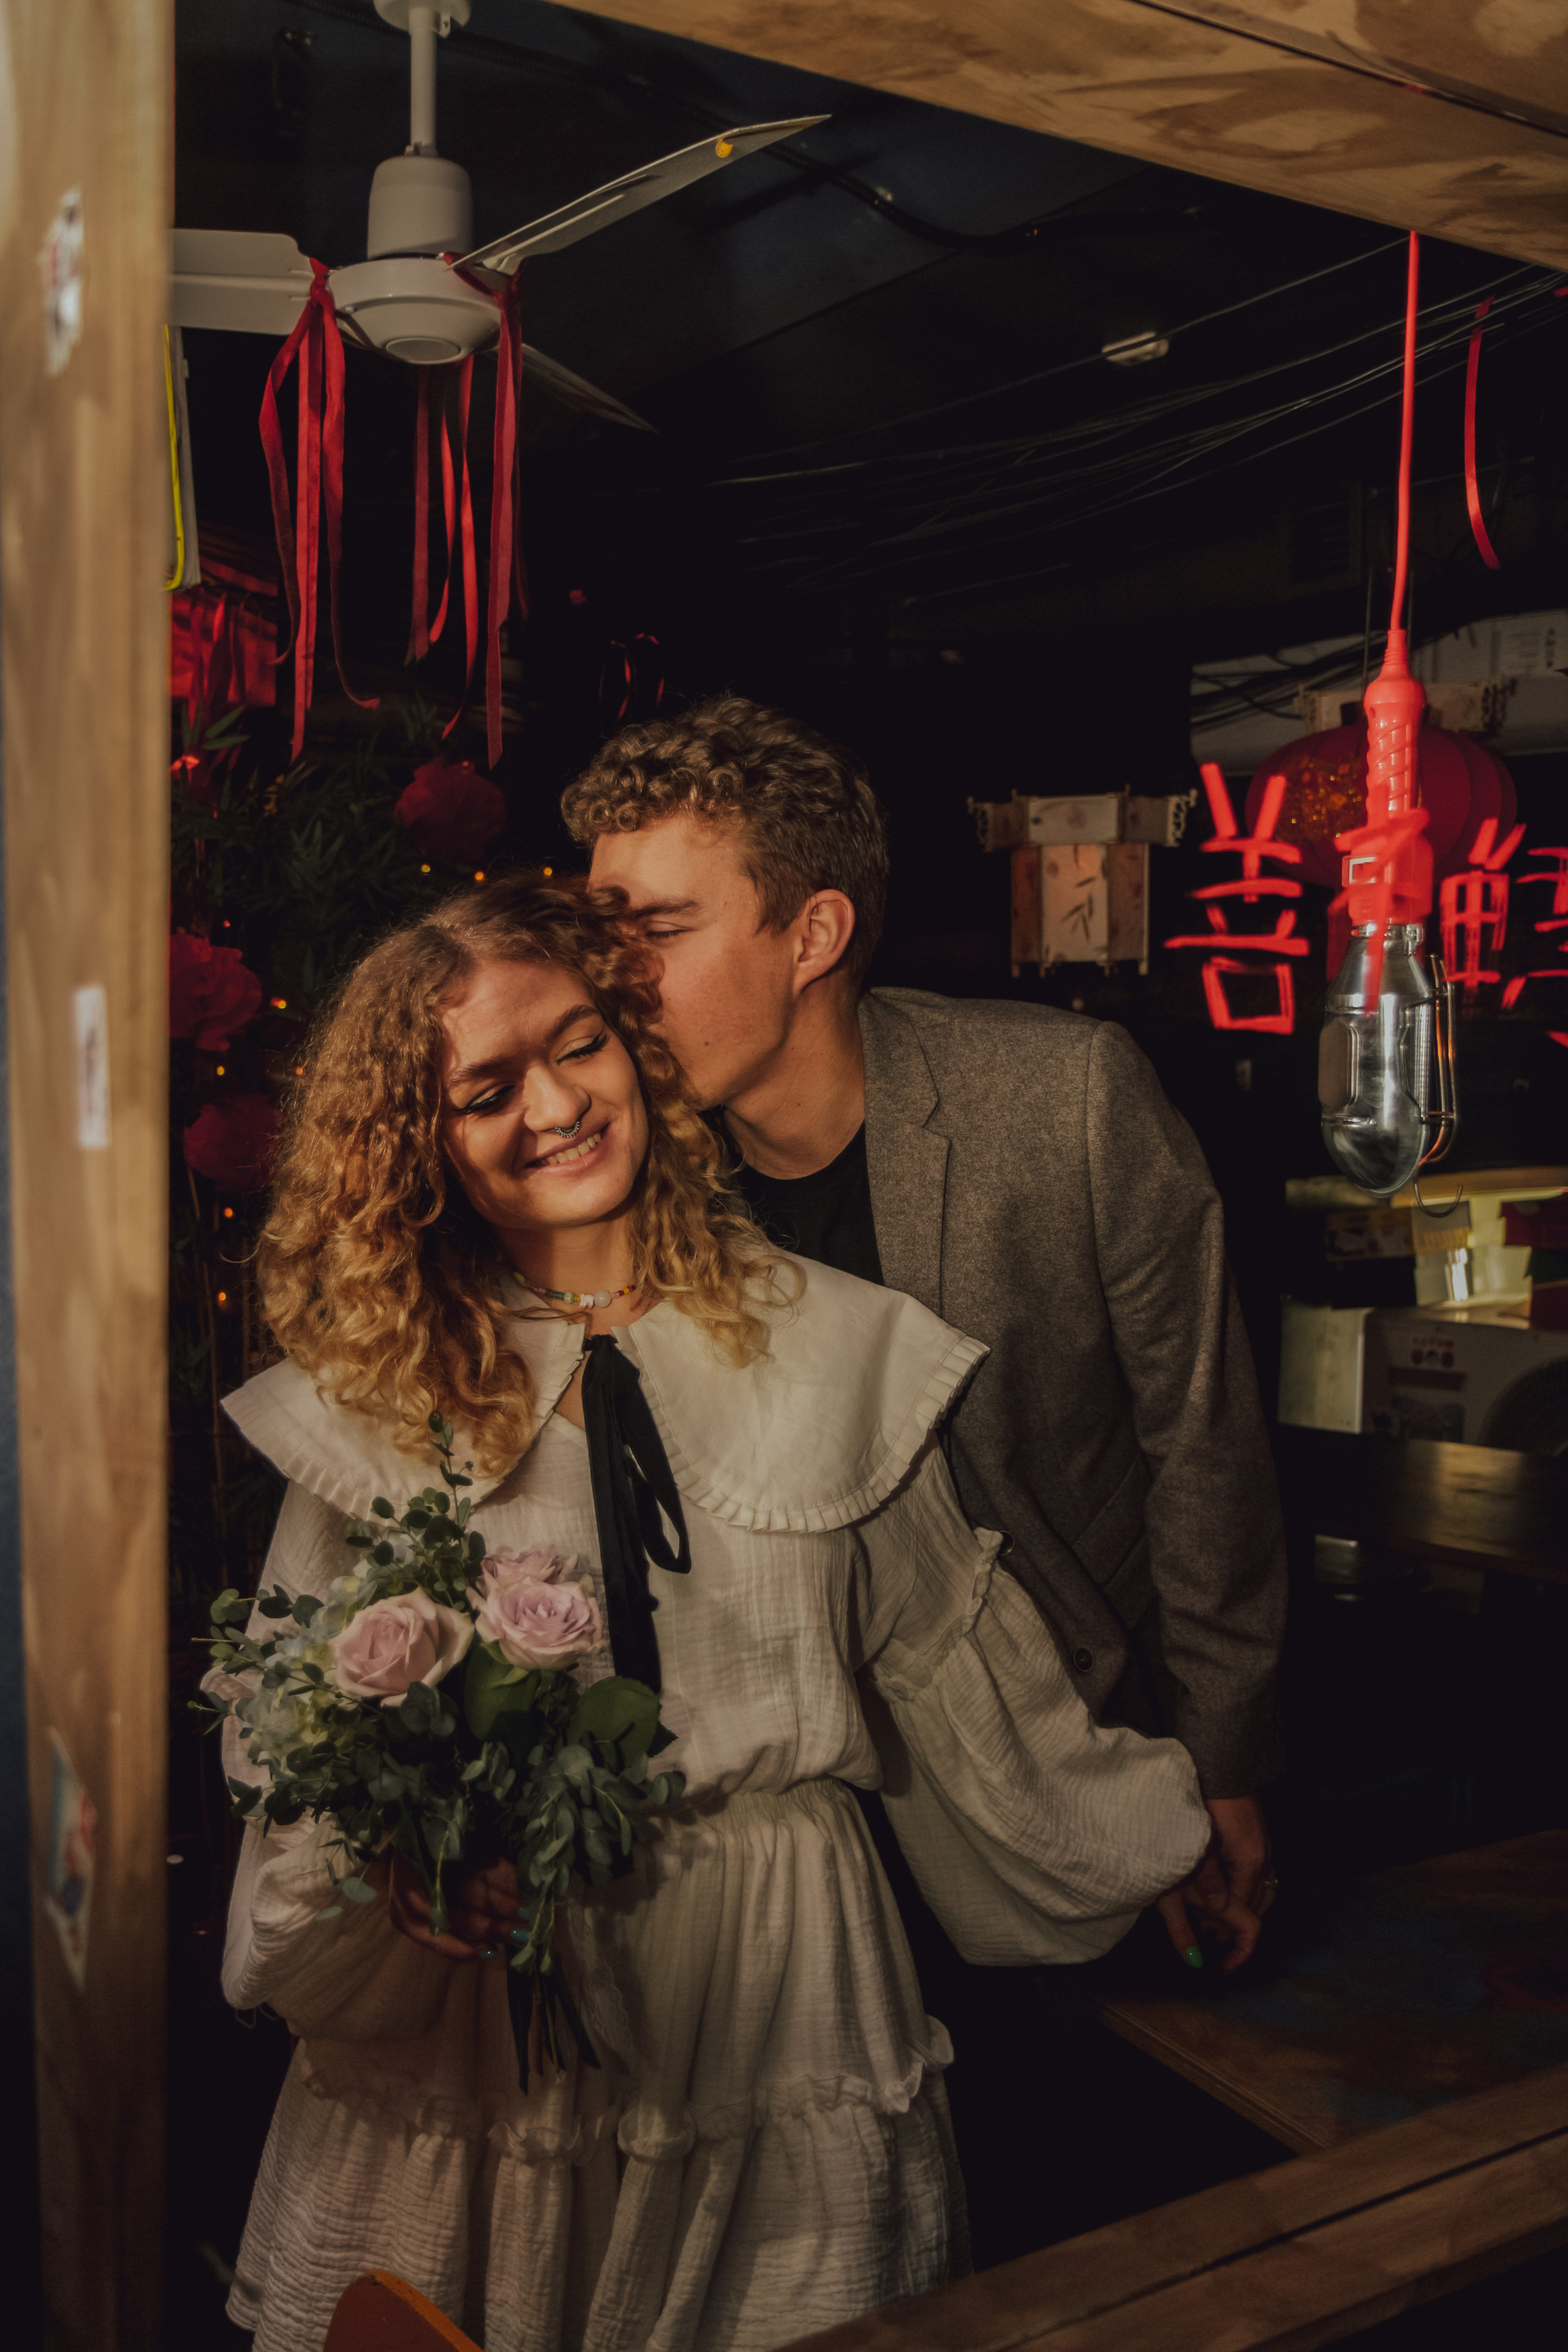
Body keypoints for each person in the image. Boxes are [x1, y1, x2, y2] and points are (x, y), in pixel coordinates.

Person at [211, 877, 1212, 2352]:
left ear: (633, 1045)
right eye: (485, 1088)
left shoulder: (832, 1342)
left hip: (776, 1990)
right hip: (497, 2034)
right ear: (418, 1147)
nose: (554, 1104)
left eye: (579, 1044)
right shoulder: (382, 1397)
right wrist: (407, 1867)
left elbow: (955, 1671)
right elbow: (292, 1734)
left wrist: (1167, 1838)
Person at [564, 697, 1287, 1972]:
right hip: (804, 1801)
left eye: (662, 928)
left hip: (1082, 1724)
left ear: (814, 933)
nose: (615, 976)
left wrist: (1215, 1759)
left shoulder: (1063, 1098)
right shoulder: (626, 1177)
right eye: (601, 932)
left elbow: (1200, 1441)